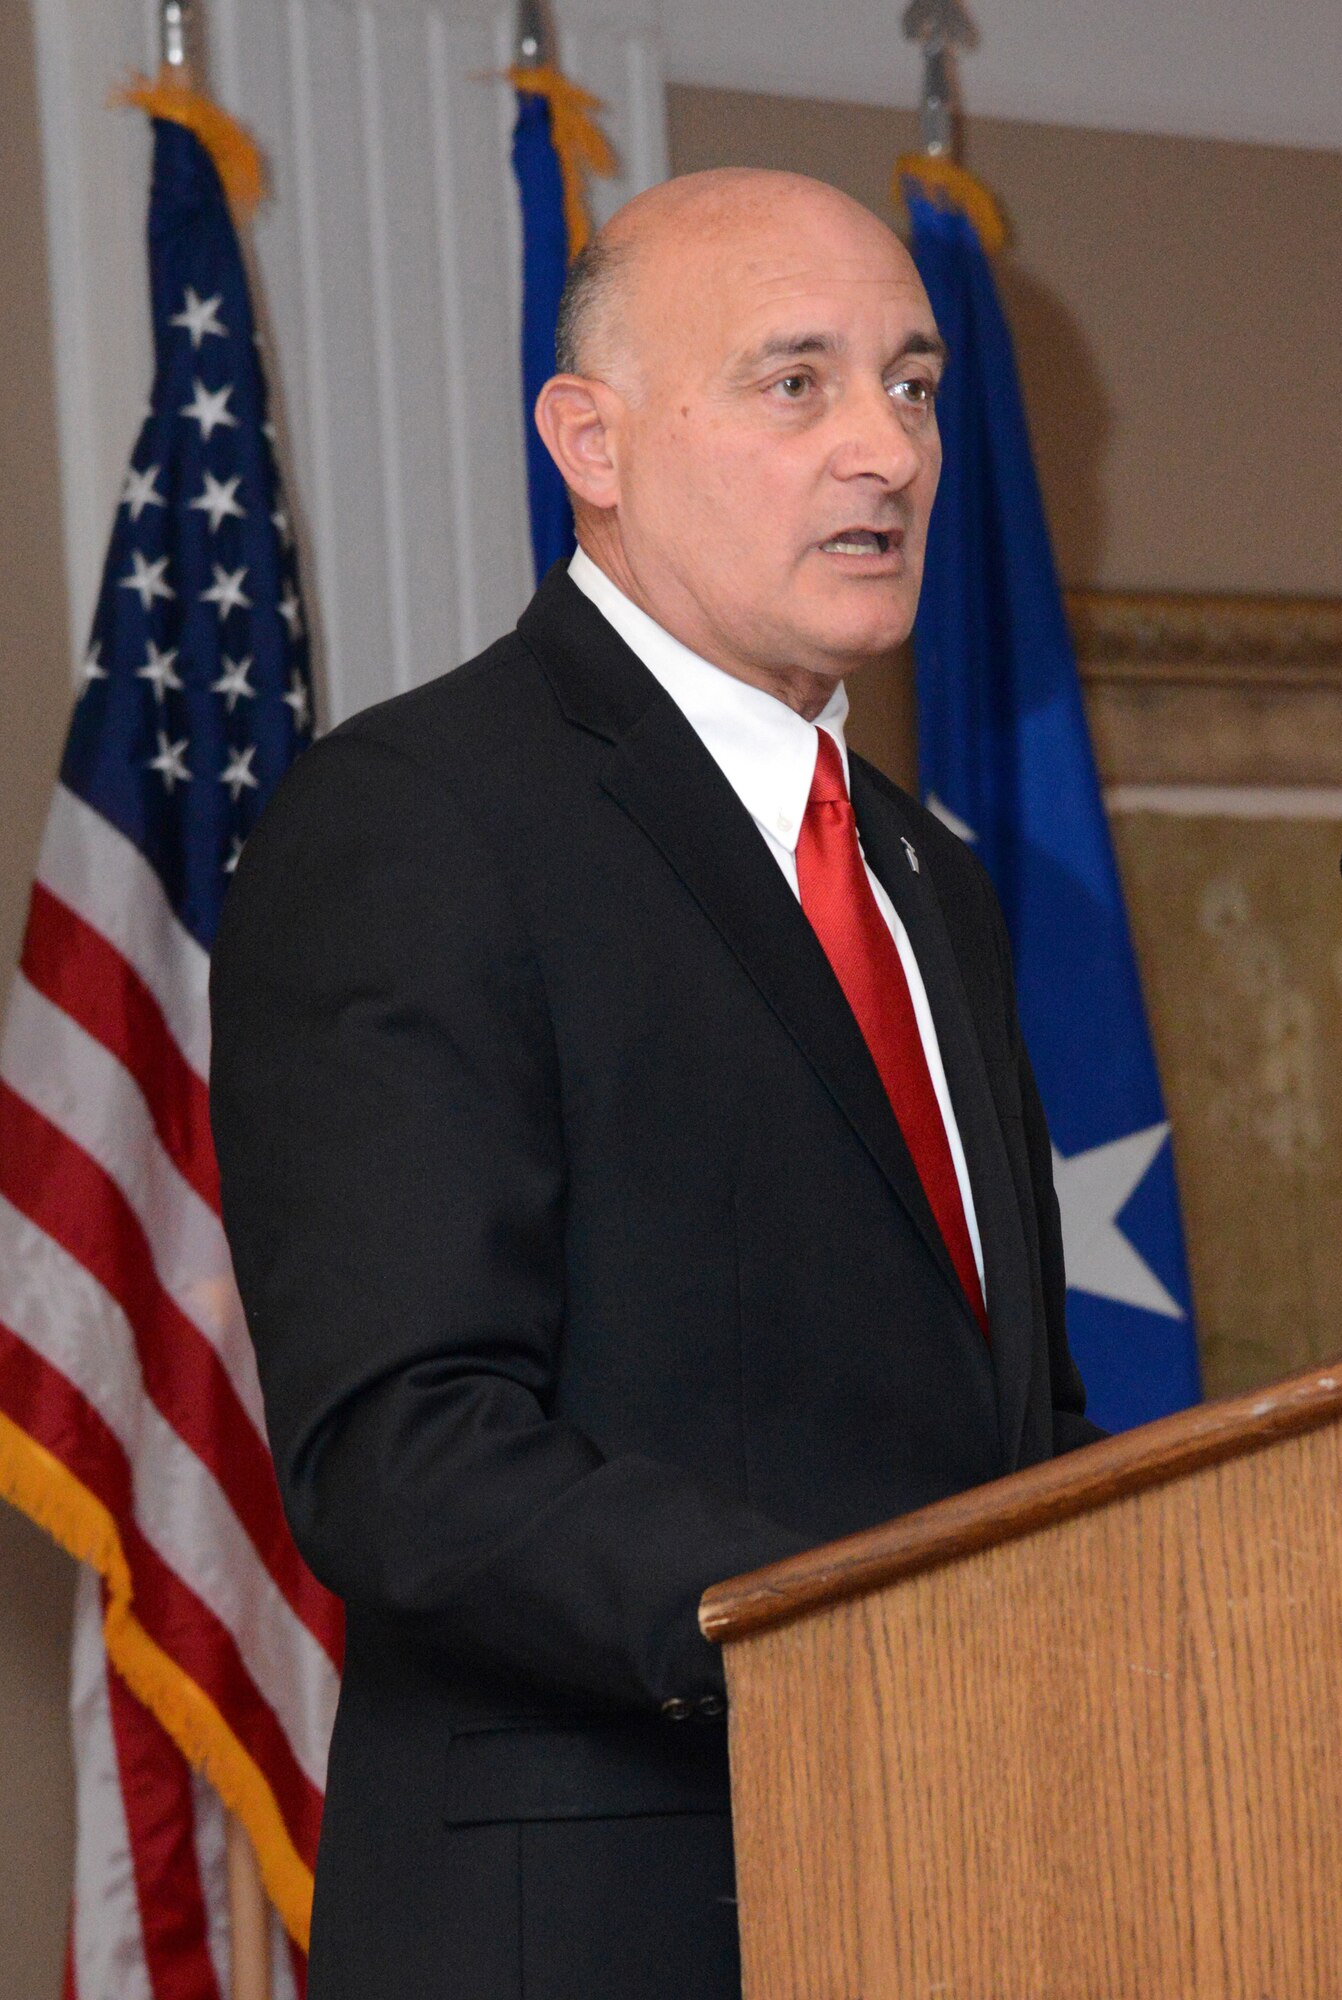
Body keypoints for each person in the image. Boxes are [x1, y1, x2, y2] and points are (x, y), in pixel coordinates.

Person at [210, 167, 1099, 2000]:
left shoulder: (931, 880)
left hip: (965, 1887)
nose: (890, 451)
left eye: (915, 385)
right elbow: (405, 1449)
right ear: (589, 441)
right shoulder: (422, 820)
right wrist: (855, 1628)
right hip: (608, 1923)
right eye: (799, 382)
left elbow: (1013, 1435)